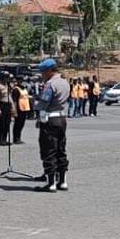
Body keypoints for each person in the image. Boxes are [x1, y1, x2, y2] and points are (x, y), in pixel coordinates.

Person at [33, 58, 70, 192]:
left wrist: (35, 104)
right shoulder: (65, 82)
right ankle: (62, 181)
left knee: (49, 150)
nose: (42, 74)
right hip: (62, 118)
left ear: (49, 71)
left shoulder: (50, 84)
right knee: (61, 149)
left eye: (43, 71)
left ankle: (51, 183)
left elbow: (44, 102)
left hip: (50, 120)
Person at [0, 73, 14, 143]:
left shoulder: (7, 86)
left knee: (7, 123)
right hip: (2, 105)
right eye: (6, 77)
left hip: (8, 105)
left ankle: (5, 139)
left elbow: (9, 96)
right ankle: (0, 139)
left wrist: (12, 106)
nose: (8, 79)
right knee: (1, 123)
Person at [11, 76, 30, 144]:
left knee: (21, 124)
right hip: (19, 109)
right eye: (19, 80)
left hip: (25, 108)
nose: (21, 81)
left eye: (22, 80)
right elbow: (14, 101)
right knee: (17, 124)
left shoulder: (24, 88)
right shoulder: (16, 89)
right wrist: (14, 110)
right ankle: (16, 139)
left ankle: (19, 137)